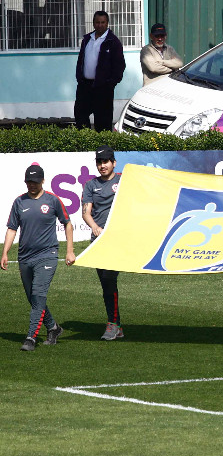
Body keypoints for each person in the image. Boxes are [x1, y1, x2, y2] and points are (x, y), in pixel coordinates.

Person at [2, 164, 75, 352]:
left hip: (47, 255)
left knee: (38, 294)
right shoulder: (19, 202)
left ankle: (31, 337)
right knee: (33, 298)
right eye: (28, 182)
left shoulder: (53, 200)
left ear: (42, 181)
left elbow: (67, 224)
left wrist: (69, 250)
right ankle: (53, 328)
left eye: (35, 181)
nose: (31, 185)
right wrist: (5, 252)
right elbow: (12, 228)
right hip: (25, 257)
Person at [81, 145, 125, 339]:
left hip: (118, 240)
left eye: (105, 161)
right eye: (99, 162)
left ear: (113, 163)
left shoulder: (124, 181)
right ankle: (116, 325)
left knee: (109, 281)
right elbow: (86, 213)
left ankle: (112, 324)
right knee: (107, 284)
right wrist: (95, 227)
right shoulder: (90, 185)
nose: (102, 166)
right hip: (99, 241)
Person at [74, 10, 126, 131]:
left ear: (107, 23)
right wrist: (79, 78)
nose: (100, 25)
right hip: (85, 86)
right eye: (97, 22)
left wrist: (111, 83)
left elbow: (120, 65)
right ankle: (84, 143)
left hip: (103, 87)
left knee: (103, 120)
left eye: (103, 22)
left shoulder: (113, 42)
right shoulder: (87, 39)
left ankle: (102, 146)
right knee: (80, 116)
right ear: (93, 23)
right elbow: (80, 60)